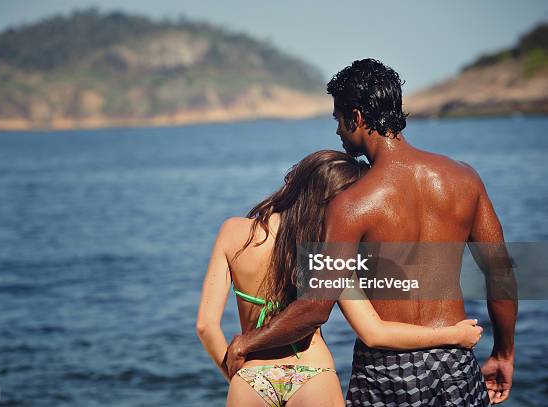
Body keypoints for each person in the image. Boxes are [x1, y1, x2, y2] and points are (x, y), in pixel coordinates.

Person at [225, 59, 517, 406]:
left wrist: (247, 342)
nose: (337, 131)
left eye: (338, 119)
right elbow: (500, 273)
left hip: (386, 372)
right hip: (455, 362)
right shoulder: (464, 179)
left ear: (357, 118)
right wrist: (503, 352)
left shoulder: (351, 205)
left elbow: (316, 307)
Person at [197, 150, 483, 407]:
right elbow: (374, 332)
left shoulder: (234, 232)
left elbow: (206, 327)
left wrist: (239, 375)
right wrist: (453, 334)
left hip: (250, 379)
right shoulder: (327, 253)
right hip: (313, 376)